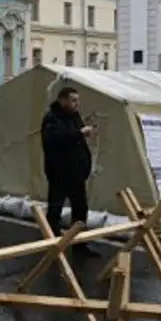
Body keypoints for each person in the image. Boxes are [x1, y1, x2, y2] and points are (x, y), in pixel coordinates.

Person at [41, 87, 98, 256]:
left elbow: (77, 141)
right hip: (59, 172)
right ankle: (51, 243)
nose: (76, 104)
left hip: (76, 173)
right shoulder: (51, 118)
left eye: (77, 101)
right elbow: (55, 140)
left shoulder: (74, 117)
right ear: (62, 100)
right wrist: (80, 133)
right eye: (73, 100)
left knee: (80, 210)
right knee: (55, 210)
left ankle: (80, 244)